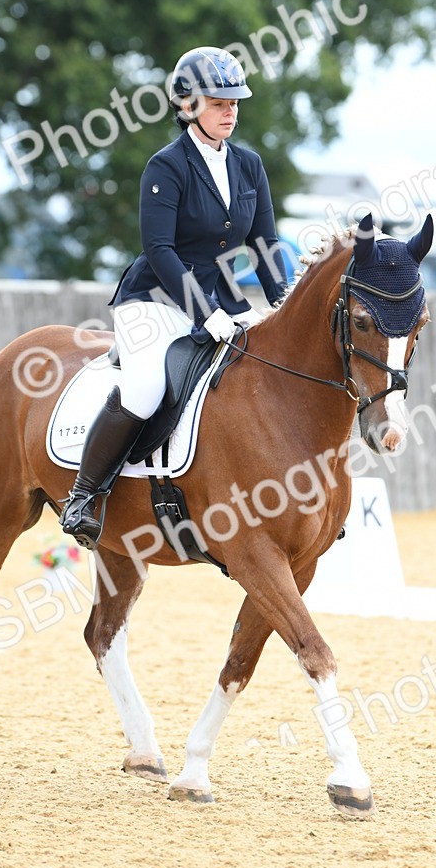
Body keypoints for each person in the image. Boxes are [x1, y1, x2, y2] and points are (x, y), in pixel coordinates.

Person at [58, 46, 288, 544]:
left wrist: (285, 303)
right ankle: (85, 493)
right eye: (218, 103)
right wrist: (203, 314)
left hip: (225, 300)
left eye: (234, 103)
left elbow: (265, 245)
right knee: (144, 387)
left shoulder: (249, 166)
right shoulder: (167, 166)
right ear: (188, 106)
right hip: (155, 300)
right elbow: (158, 249)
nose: (230, 112)